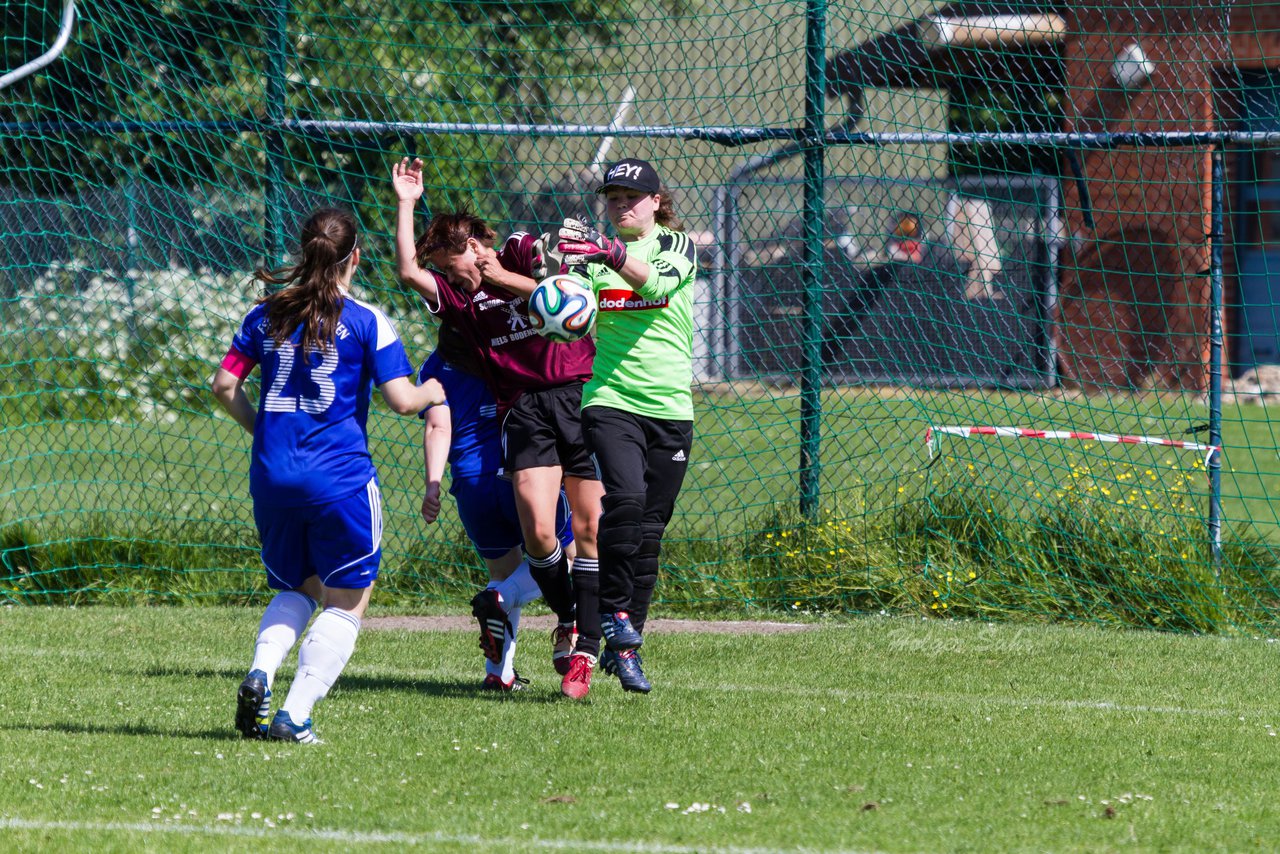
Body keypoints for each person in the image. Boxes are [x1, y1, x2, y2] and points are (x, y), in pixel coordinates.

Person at [211, 207, 444, 743]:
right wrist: (436, 390)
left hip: (272, 480)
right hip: (338, 481)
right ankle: (294, 716)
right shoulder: (366, 319)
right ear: (355, 257)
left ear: (304, 252)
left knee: (298, 586)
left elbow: (223, 387)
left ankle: (261, 672)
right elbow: (403, 400)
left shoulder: (264, 314)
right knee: (346, 601)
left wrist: (264, 432)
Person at [391, 157, 607, 700]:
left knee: (588, 532)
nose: (453, 272)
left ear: (478, 244)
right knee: (539, 535)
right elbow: (408, 273)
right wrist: (406, 204)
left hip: (577, 397)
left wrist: (502, 276)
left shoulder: (517, 252)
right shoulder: (461, 305)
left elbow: (565, 292)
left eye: (456, 258)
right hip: (526, 412)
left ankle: (578, 638)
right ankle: (562, 619)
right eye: (443, 264)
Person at [554, 157, 697, 694]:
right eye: (613, 197)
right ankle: (618, 623)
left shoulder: (674, 245)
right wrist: (556, 285)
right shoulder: (591, 261)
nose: (621, 205)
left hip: (671, 408)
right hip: (610, 400)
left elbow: (655, 280)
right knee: (628, 501)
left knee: (650, 534)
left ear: (657, 201)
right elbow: (566, 316)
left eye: (632, 197)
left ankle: (626, 638)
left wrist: (607, 252)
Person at [418, 323, 575, 691]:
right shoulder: (506, 347)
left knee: (503, 569)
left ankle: (499, 673)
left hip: (471, 484)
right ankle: (513, 607)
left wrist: (433, 484)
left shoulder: (434, 367)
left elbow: (438, 428)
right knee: (567, 556)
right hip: (521, 473)